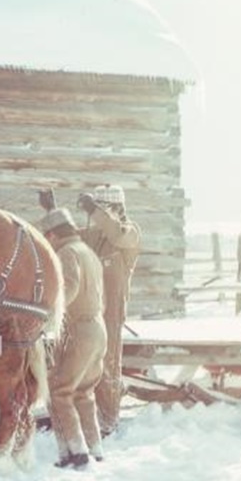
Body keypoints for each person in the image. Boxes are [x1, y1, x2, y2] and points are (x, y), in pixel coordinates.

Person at [36, 207, 107, 469]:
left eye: (46, 238)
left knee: (59, 390)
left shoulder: (66, 253)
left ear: (53, 235)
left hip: (79, 329)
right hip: (98, 327)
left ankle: (76, 452)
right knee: (83, 392)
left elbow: (70, 287)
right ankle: (94, 448)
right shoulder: (89, 252)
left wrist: (48, 316)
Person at [77, 184, 141, 436]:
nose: (97, 216)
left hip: (112, 310)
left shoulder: (130, 233)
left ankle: (109, 418)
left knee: (109, 363)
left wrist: (93, 209)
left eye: (103, 209)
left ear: (116, 208)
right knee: (87, 363)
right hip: (90, 309)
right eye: (97, 210)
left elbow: (117, 234)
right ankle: (90, 415)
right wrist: (53, 212)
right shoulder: (96, 236)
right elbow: (68, 237)